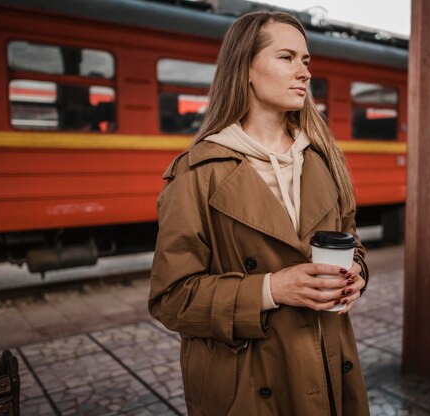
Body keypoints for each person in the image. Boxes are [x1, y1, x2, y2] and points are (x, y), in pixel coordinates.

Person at [149, 11, 370, 416]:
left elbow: (352, 241)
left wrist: (356, 275)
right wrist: (272, 288)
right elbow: (171, 299)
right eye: (286, 58)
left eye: (306, 61)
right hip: (248, 385)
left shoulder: (325, 159)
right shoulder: (197, 172)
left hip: (328, 367)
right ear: (245, 69)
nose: (303, 72)